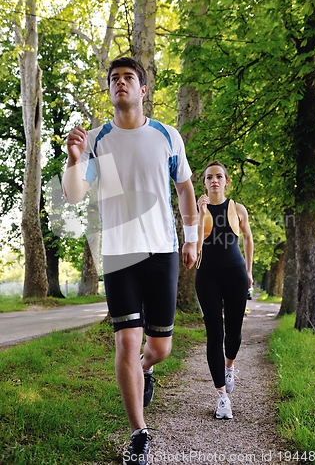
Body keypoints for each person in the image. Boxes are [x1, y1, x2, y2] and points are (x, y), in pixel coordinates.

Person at [62, 57, 197, 464]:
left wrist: (191, 239)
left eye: (129, 78)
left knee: (159, 348)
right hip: (120, 254)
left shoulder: (166, 136)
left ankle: (147, 369)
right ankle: (139, 433)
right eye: (114, 79)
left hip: (162, 252)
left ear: (142, 90)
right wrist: (73, 159)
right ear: (110, 91)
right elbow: (72, 195)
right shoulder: (98, 139)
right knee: (125, 339)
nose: (121, 83)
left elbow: (186, 190)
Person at [195, 160, 253, 420]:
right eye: (209, 177)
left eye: (219, 176)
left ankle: (229, 366)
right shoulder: (199, 212)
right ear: (204, 183)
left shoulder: (237, 209)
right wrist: (199, 214)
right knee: (214, 334)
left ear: (226, 181)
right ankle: (222, 396)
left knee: (234, 332)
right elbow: (196, 245)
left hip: (235, 275)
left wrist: (250, 271)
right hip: (206, 276)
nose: (214, 180)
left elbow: (248, 238)